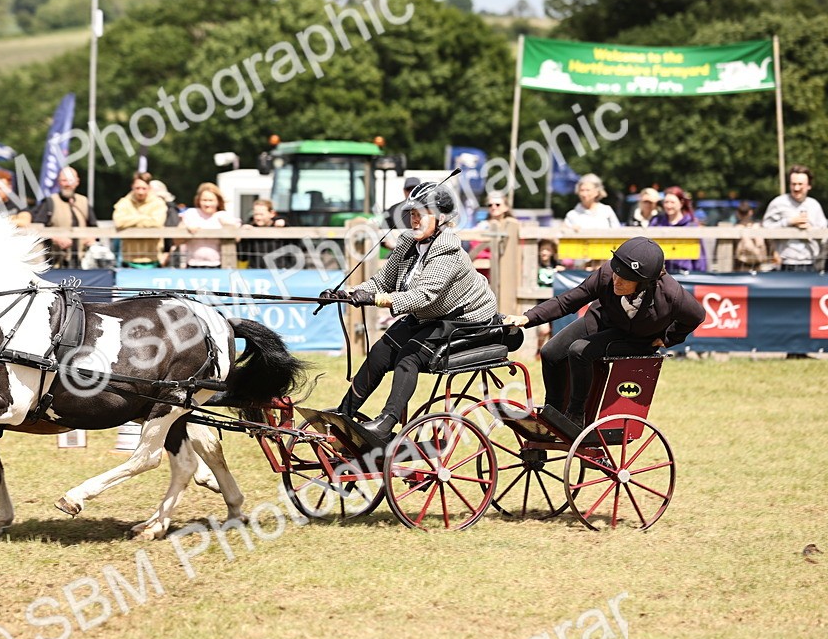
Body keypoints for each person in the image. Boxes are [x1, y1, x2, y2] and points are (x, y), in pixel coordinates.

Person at [319, 181, 501, 445]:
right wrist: (346, 293)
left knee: (409, 356)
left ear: (440, 218)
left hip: (465, 318)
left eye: (420, 214)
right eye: (412, 214)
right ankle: (344, 413)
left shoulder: (449, 251)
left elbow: (422, 296)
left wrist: (375, 299)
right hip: (430, 315)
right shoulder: (407, 243)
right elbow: (382, 281)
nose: (414, 220)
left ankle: (386, 422)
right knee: (381, 352)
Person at [504, 237, 705, 436]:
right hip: (602, 321)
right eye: (616, 273)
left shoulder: (672, 295)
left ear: (645, 283)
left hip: (636, 339)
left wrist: (668, 338)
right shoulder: (606, 274)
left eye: (624, 278)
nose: (615, 280)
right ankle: (553, 413)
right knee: (550, 352)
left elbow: (697, 316)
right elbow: (567, 301)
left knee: (579, 351)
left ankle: (575, 416)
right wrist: (527, 318)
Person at [762, 164, 826, 272]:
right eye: (793, 184)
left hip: (809, 263)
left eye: (800, 184)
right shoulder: (778, 203)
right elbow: (765, 227)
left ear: (809, 185)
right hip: (785, 263)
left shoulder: (815, 205)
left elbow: (824, 233)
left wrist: (810, 230)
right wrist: (788, 222)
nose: (796, 188)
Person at [32, 166, 96, 269]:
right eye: (64, 180)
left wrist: (90, 237)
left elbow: (94, 227)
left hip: (82, 262)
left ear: (77, 182)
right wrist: (56, 238)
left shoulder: (83, 201)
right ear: (59, 182)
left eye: (71, 180)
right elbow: (37, 228)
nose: (67, 184)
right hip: (56, 262)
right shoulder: (49, 202)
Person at [112, 172, 169, 268]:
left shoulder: (158, 203)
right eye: (137, 188)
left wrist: (131, 221)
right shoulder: (124, 202)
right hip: (129, 258)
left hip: (153, 258)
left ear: (149, 188)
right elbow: (118, 221)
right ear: (132, 187)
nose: (140, 192)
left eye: (144, 188)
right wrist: (143, 217)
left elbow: (156, 222)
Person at [180, 182, 240, 268]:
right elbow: (177, 239)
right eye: (204, 200)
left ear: (218, 201)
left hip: (218, 264)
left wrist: (228, 226)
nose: (207, 204)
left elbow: (237, 237)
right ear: (198, 200)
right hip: (193, 264)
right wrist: (186, 229)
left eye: (211, 200)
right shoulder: (191, 213)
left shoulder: (223, 215)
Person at [648, 185, 707, 272]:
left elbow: (700, 256)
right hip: (660, 274)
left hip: (685, 273)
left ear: (681, 203)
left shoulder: (691, 225)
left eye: (672, 202)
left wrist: (700, 275)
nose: (668, 205)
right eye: (666, 202)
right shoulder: (656, 222)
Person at [241, 199, 295, 269]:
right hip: (256, 271)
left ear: (272, 214)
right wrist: (243, 236)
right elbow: (242, 257)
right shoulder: (250, 227)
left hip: (279, 271)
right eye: (256, 214)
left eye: (261, 214)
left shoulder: (281, 225)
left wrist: (285, 225)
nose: (258, 217)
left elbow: (296, 246)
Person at [732, 203, 769, 271]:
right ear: (750, 212)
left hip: (745, 266)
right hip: (755, 265)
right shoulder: (758, 227)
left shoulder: (736, 229)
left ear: (738, 213)